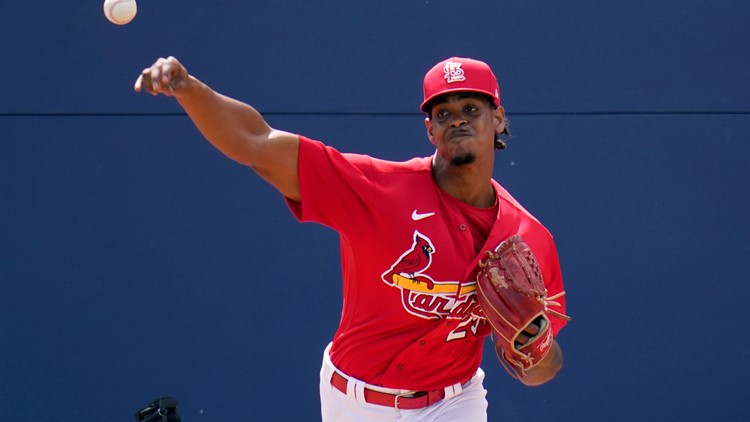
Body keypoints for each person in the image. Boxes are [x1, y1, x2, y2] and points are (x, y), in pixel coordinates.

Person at [135, 56, 568, 421]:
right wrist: (188, 88)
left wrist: (536, 344)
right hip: (355, 401)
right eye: (442, 112)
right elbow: (258, 141)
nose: (456, 118)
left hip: (454, 402)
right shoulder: (379, 189)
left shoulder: (528, 238)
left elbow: (542, 372)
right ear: (430, 131)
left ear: (499, 118)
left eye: (471, 108)